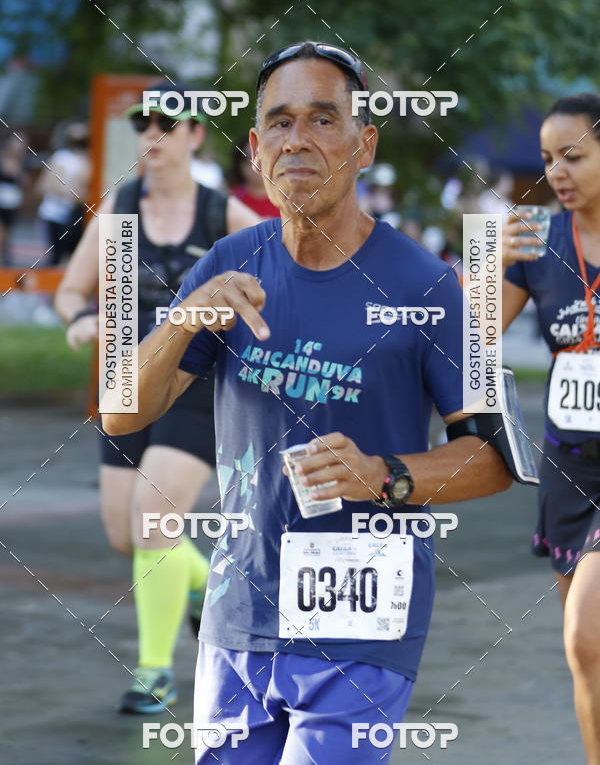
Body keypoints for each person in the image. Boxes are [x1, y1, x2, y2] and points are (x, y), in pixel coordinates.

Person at [103, 42, 513, 763]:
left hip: (360, 622)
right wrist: (183, 317)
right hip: (239, 616)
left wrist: (384, 475)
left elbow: (494, 459)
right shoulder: (226, 266)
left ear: (364, 144)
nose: (300, 139)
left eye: (324, 120)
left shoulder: (427, 286)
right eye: (281, 123)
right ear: (257, 148)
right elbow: (122, 413)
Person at [54, 83, 259, 714]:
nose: (153, 138)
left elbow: (283, 270)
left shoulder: (221, 212)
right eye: (145, 126)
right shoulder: (119, 210)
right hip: (125, 384)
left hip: (195, 386)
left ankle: (155, 673)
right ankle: (204, 586)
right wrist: (79, 320)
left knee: (153, 519)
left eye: (168, 127)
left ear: (197, 136)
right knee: (128, 534)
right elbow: (72, 290)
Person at [502, 93, 600, 764]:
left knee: (584, 635)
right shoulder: (535, 237)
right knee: (586, 657)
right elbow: (463, 338)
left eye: (574, 156)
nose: (556, 171)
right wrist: (485, 265)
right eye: (547, 159)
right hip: (569, 466)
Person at [38, 122, 90, 264]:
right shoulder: (61, 158)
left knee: (69, 254)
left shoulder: (88, 160)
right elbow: (45, 185)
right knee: (58, 254)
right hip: (55, 212)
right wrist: (69, 194)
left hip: (73, 215)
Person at [228, 137, 280, 218]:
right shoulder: (230, 200)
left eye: (262, 157)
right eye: (249, 158)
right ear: (239, 164)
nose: (256, 164)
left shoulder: (289, 201)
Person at [0, 133, 25, 265]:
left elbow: (22, 182)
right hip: (2, 200)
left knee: (7, 230)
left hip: (12, 201)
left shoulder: (20, 161)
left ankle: (5, 254)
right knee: (2, 230)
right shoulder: (3, 158)